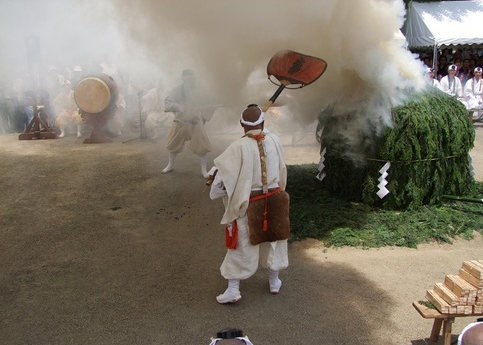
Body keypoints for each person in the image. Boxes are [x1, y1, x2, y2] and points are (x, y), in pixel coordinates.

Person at [208, 104, 289, 304]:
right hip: (275, 199)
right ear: (263, 122)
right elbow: (282, 169)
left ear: (241, 125)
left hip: (250, 204)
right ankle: (274, 281)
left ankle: (233, 289)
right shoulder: (275, 140)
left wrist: (212, 176)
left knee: (241, 245)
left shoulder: (238, 146)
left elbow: (223, 176)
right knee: (274, 240)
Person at [162, 69, 216, 177]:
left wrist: (204, 117)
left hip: (195, 121)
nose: (189, 82)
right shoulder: (175, 91)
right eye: (186, 79)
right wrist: (179, 107)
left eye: (191, 79)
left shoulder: (200, 91)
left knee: (202, 146)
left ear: (194, 79)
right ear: (183, 79)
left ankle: (203, 170)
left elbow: (210, 104)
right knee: (173, 144)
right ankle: (170, 165)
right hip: (180, 120)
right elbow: (167, 103)